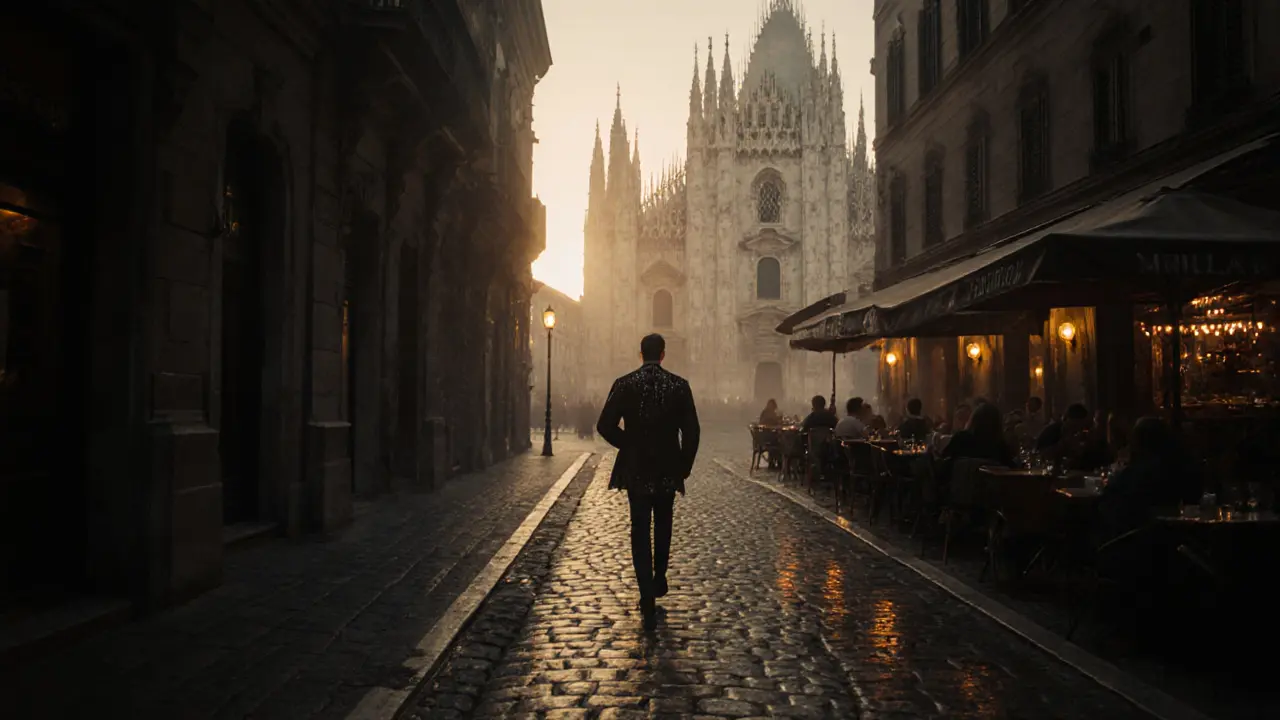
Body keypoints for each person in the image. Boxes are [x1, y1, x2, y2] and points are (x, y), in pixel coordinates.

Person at [596, 334, 700, 630]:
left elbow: (604, 425)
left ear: (640, 354)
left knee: (639, 527)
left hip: (637, 467)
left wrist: (628, 444)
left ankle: (645, 591)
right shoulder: (679, 386)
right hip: (668, 466)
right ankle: (658, 577)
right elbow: (692, 431)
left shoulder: (625, 383)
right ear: (663, 354)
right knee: (664, 522)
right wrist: (685, 465)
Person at [940, 402, 1015, 481]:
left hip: (959, 490)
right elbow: (1013, 472)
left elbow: (944, 464)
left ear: (973, 419)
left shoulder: (960, 439)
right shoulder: (999, 446)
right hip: (991, 492)